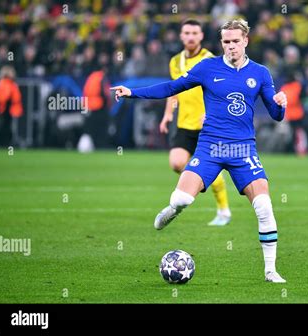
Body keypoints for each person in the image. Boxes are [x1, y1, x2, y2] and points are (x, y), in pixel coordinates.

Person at [111, 19, 287, 283]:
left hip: (243, 149)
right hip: (210, 147)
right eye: (226, 42)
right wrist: (131, 92)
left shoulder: (260, 72)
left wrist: (280, 104)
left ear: (246, 41)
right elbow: (171, 88)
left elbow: (275, 115)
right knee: (182, 200)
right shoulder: (207, 67)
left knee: (264, 206)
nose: (231, 47)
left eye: (235, 41)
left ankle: (271, 271)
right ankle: (171, 210)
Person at [159, 19, 231, 226]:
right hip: (184, 123)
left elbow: (224, 90)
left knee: (206, 166)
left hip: (207, 126)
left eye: (194, 33)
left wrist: (214, 113)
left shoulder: (211, 60)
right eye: (187, 33)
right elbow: (174, 91)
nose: (190, 36)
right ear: (181, 36)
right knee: (176, 163)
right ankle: (200, 179)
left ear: (201, 36)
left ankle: (223, 211)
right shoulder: (175, 61)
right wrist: (167, 115)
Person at [0, 66, 23, 146]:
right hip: (5, 108)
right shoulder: (7, 83)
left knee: (5, 126)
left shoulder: (4, 83)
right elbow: (6, 97)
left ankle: (4, 143)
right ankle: (4, 143)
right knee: (5, 126)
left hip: (5, 108)